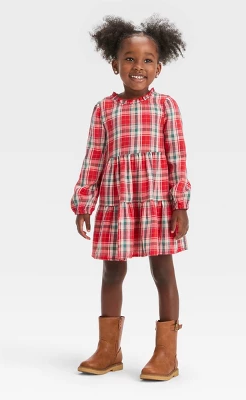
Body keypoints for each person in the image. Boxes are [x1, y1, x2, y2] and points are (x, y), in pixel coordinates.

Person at [70, 13, 191, 381]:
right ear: (114, 64)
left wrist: (180, 204)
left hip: (156, 204)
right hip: (116, 202)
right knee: (112, 271)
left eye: (147, 60)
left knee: (163, 271)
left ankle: (166, 354)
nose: (138, 67)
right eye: (129, 59)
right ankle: (108, 349)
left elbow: (177, 157)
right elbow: (94, 157)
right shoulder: (104, 109)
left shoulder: (166, 106)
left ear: (159, 68)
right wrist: (84, 202)